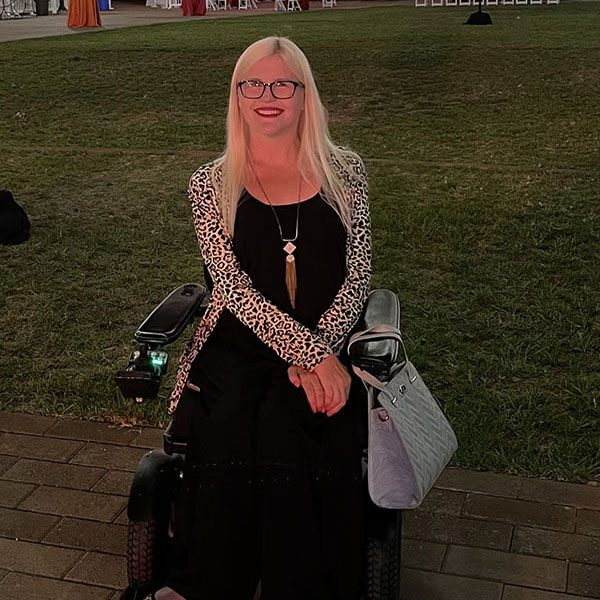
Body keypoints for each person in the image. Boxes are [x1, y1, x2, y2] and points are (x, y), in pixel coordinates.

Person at [156, 35, 372, 600]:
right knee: (227, 421)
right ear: (237, 96)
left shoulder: (346, 173)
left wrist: (321, 349)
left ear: (304, 95)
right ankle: (212, 582)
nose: (266, 95)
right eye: (252, 84)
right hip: (241, 343)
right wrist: (311, 355)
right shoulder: (210, 183)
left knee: (292, 423)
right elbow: (231, 289)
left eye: (282, 84)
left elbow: (358, 278)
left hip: (327, 336)